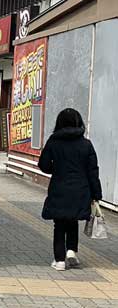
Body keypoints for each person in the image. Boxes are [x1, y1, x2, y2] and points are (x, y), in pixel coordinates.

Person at [38, 108, 103, 271]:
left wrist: (57, 169)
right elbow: (93, 171)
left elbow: (43, 165)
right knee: (72, 220)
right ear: (78, 122)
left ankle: (59, 261)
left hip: (59, 187)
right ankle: (71, 251)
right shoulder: (86, 144)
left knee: (59, 223)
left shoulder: (53, 141)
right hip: (81, 189)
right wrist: (96, 194)